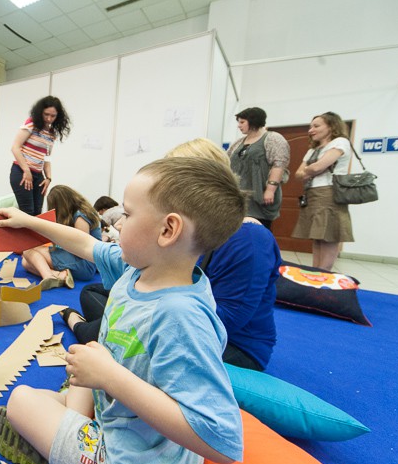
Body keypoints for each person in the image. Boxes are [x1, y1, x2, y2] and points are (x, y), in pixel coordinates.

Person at [0, 154, 245, 464]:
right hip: (121, 414)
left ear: (168, 230)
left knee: (21, 401)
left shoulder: (180, 316)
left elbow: (221, 439)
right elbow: (84, 243)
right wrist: (29, 222)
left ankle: (68, 450)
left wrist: (109, 377)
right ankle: (72, 425)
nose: (116, 225)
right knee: (84, 362)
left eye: (127, 214)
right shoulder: (140, 268)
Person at [63, 139, 282, 371]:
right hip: (171, 309)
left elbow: (227, 319)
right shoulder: (182, 235)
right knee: (94, 292)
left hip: (227, 341)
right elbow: (97, 250)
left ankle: (80, 327)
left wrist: (147, 308)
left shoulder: (249, 240)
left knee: (120, 333)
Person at [291, 111, 354, 271]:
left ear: (331, 126)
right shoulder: (313, 150)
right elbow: (298, 174)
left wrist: (310, 169)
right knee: (317, 236)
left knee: (328, 235)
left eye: (316, 126)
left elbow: (317, 167)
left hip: (329, 193)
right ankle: (316, 272)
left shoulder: (340, 142)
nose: (311, 130)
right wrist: (312, 169)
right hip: (313, 194)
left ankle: (324, 274)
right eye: (310, 126)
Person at [21, 185, 102, 287]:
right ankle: (59, 276)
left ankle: (49, 276)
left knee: (28, 251)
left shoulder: (80, 217)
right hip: (85, 262)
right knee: (26, 262)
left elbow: (81, 249)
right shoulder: (81, 212)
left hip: (85, 264)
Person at [225, 107, 290, 230]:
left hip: (259, 196)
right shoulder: (238, 143)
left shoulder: (273, 138)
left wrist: (270, 190)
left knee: (257, 229)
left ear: (253, 121)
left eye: (242, 122)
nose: (239, 125)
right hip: (239, 197)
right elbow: (227, 162)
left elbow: (279, 164)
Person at [9, 96, 71, 216]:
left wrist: (48, 178)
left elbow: (46, 157)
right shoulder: (31, 124)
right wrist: (26, 171)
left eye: (53, 116)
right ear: (40, 112)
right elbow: (15, 148)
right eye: (46, 114)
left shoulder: (51, 133)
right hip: (22, 171)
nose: (49, 118)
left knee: (37, 214)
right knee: (28, 212)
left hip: (38, 175)